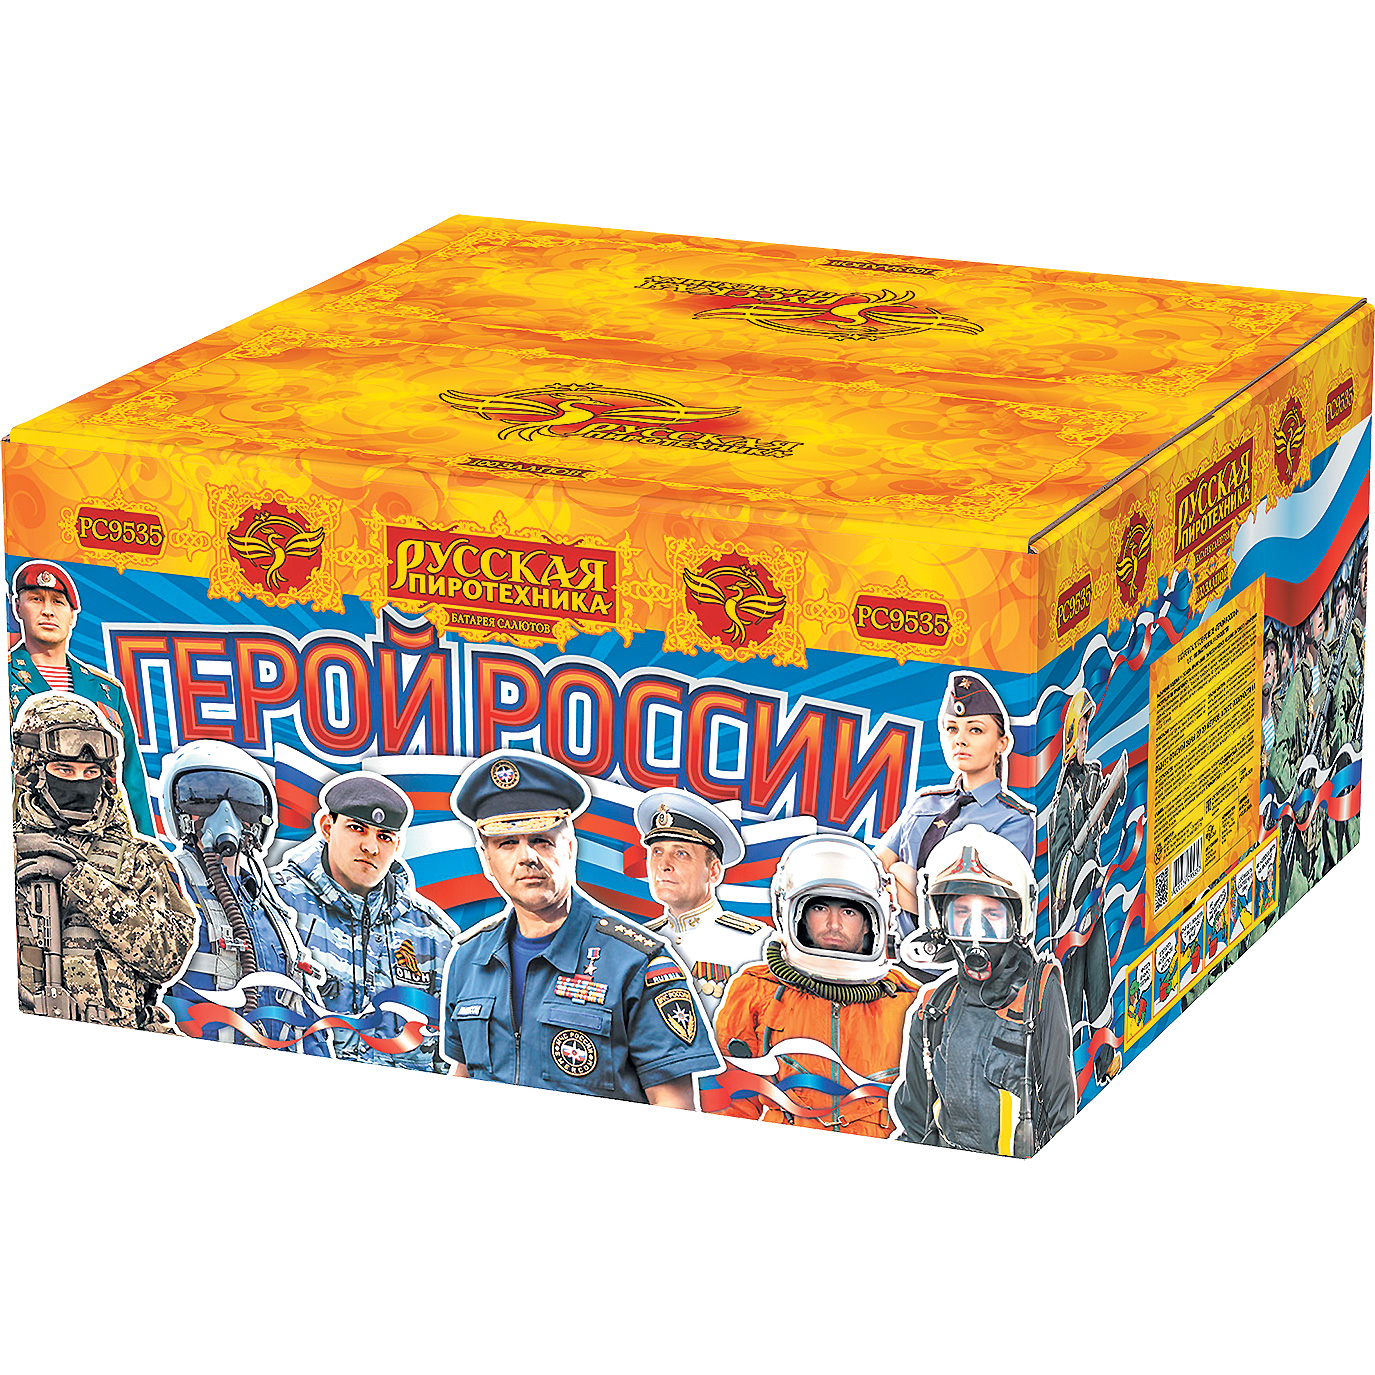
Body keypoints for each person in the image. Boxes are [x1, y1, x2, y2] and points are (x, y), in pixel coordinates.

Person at [441, 752, 720, 1106]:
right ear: (486, 860)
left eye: (542, 840)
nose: (527, 857)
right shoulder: (468, 959)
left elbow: (675, 1111)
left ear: (570, 849)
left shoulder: (636, 964)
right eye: (507, 843)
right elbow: (464, 1078)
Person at [709, 834, 923, 1138]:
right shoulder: (756, 991)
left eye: (849, 911)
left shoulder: (907, 1002)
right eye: (820, 908)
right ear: (795, 915)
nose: (833, 924)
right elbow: (729, 1108)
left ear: (871, 922)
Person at [890, 826, 1076, 1156]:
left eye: (991, 914)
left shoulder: (1038, 995)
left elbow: (1062, 1115)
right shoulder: (933, 1009)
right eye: (962, 913)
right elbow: (915, 1124)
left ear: (1017, 921)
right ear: (940, 923)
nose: (976, 930)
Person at [13, 695, 195, 1029]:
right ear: (33, 771)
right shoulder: (11, 851)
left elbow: (167, 959)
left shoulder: (140, 858)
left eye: (91, 772)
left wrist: (82, 881)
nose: (80, 782)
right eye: (64, 770)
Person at [273, 772, 458, 1070]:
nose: (371, 847)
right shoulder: (274, 903)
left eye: (384, 837)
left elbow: (450, 1058)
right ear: (327, 827)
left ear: (398, 846)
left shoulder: (434, 936)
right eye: (357, 828)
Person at [160, 740, 330, 1055]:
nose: (226, 815)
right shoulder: (166, 885)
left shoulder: (271, 907)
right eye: (203, 800)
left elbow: (305, 1010)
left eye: (244, 803)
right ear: (179, 810)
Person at [874, 671, 1035, 941]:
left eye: (975, 729)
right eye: (952, 728)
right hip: (893, 949)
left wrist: (899, 873)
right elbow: (874, 869)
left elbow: (981, 907)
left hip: (965, 954)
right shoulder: (924, 804)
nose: (960, 739)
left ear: (1002, 743)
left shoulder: (1015, 820)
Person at [8, 560, 155, 835]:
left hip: (99, 839)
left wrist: (144, 842)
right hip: (25, 835)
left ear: (72, 616)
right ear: (18, 607)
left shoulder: (107, 691)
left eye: (58, 602)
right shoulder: (5, 677)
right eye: (36, 599)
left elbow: (131, 777)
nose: (48, 610)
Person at [634, 787, 771, 1020]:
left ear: (714, 871)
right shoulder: (637, 940)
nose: (663, 865)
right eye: (656, 852)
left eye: (681, 853)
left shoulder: (759, 943)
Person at [1047, 688, 1126, 1086]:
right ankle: (1069, 1072)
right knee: (1071, 985)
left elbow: (1106, 814)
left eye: (1086, 729)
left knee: (1099, 974)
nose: (1084, 737)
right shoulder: (1062, 797)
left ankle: (1103, 1058)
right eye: (1079, 729)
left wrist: (1113, 788)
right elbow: (1058, 860)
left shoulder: (1091, 780)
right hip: (1071, 907)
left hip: (1092, 892)